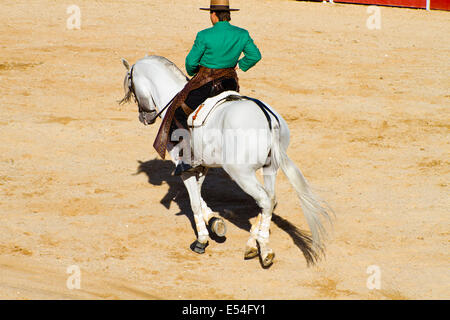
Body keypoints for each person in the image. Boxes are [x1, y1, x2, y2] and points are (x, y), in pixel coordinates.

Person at [153, 0, 262, 175]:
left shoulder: (204, 35)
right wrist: (239, 65)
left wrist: (196, 72)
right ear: (228, 15)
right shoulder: (242, 34)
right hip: (230, 84)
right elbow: (255, 55)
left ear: (213, 15)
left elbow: (190, 64)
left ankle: (187, 158)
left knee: (177, 111)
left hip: (207, 85)